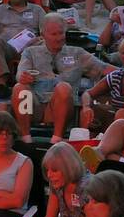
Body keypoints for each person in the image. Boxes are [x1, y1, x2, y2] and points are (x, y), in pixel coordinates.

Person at [12, 14, 108, 144]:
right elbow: (20, 74)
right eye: (53, 34)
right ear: (43, 34)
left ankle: (56, 140)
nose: (58, 38)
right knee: (20, 89)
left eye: (61, 33)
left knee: (63, 88)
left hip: (64, 107)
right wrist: (23, 77)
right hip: (35, 107)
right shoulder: (31, 52)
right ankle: (26, 139)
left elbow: (104, 69)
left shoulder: (77, 53)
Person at [23, 141, 104, 217]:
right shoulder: (57, 184)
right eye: (47, 170)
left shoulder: (87, 188)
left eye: (54, 170)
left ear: (68, 168)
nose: (49, 175)